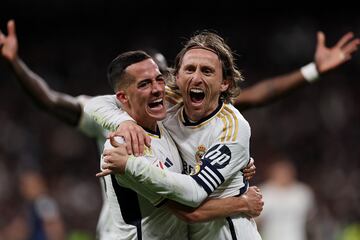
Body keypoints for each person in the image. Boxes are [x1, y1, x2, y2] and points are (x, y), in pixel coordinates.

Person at [88, 31, 263, 240]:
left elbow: (193, 196)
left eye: (207, 71)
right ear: (178, 78)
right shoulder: (134, 138)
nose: (196, 77)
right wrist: (122, 121)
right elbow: (94, 104)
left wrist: (241, 161)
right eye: (190, 69)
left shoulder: (231, 128)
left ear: (224, 83)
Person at [256, 154, 317, 240]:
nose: (283, 175)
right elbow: (255, 220)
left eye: (286, 171)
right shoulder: (263, 192)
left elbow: (310, 218)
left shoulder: (303, 192)